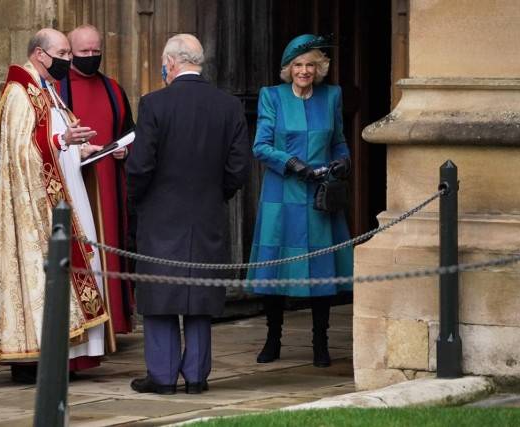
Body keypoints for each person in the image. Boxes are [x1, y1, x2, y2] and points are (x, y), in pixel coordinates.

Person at [0, 28, 114, 383]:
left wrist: (80, 148)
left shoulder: (48, 92)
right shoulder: (18, 92)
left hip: (65, 197)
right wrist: (62, 140)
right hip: (37, 213)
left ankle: (71, 357)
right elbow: (18, 153)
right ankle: (37, 360)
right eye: (63, 54)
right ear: (40, 54)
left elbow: (56, 143)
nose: (69, 60)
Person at [126, 34, 250, 395]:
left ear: (170, 62)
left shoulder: (154, 104)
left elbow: (140, 166)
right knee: (199, 294)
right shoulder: (227, 106)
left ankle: (162, 376)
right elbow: (238, 167)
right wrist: (218, 194)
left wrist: (137, 200)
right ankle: (196, 376)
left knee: (161, 295)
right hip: (207, 212)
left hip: (161, 214)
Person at [247, 34, 353, 368]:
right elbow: (260, 146)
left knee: (321, 270)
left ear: (319, 68)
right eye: (297, 65)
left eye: (310, 65)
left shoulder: (332, 96)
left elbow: (339, 143)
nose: (304, 71)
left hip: (319, 195)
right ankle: (272, 338)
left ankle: (320, 343)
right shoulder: (272, 97)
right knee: (276, 270)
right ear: (288, 68)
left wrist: (342, 163)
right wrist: (293, 164)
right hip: (281, 195)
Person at [60, 24, 135, 335]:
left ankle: (114, 322)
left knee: (111, 249)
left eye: (96, 51)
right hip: (77, 186)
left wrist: (125, 152)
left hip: (110, 187)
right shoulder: (57, 89)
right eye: (83, 52)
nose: (91, 57)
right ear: (70, 53)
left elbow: (130, 132)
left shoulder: (114, 89)